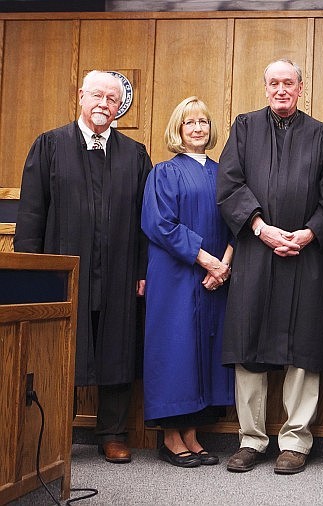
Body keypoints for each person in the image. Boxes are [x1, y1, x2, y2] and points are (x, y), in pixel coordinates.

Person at [14, 70, 152, 463]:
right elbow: (32, 212)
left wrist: (143, 269)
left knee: (116, 345)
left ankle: (112, 432)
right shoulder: (51, 145)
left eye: (112, 99)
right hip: (63, 270)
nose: (103, 105)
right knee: (60, 348)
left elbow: (147, 220)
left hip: (120, 270)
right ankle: (54, 431)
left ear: (119, 106)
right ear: (80, 96)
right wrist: (31, 272)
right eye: (97, 96)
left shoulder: (134, 153)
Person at [216, 59, 323, 475]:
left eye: (289, 82)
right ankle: (251, 439)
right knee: (249, 343)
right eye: (274, 83)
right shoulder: (245, 127)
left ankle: (295, 440)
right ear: (265, 87)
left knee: (302, 347)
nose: (281, 89)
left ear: (301, 87)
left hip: (305, 255)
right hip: (256, 250)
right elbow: (229, 184)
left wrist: (309, 233)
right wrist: (261, 227)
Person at [141, 97, 234, 468]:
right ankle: (170, 437)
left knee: (205, 351)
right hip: (176, 275)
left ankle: (193, 434)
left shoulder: (224, 172)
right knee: (176, 349)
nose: (197, 128)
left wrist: (223, 266)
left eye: (203, 122)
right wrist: (208, 261)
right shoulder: (163, 172)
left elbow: (238, 222)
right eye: (189, 123)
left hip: (215, 277)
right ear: (177, 130)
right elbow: (159, 224)